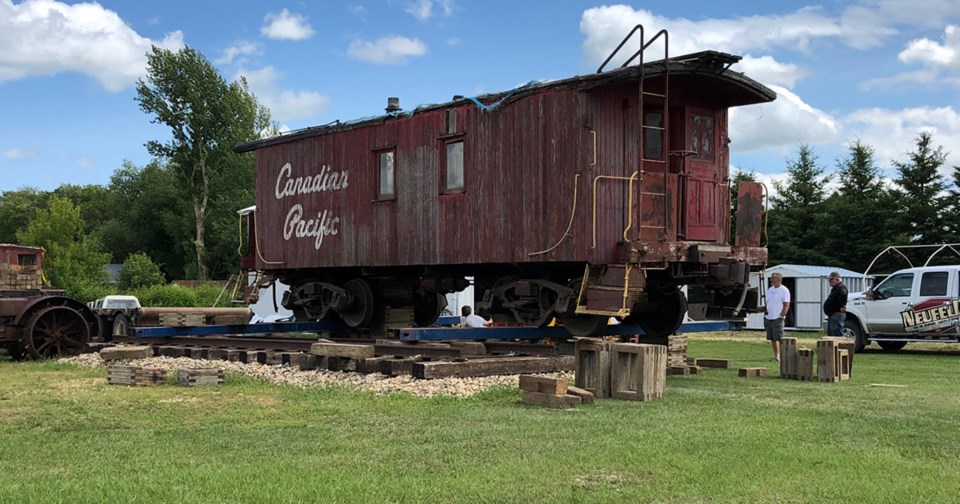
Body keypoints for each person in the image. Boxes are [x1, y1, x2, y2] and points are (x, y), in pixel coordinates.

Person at [764, 272, 791, 362]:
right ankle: (776, 355)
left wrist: (782, 315)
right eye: (771, 278)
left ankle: (782, 356)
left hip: (777, 317)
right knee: (772, 338)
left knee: (779, 337)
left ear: (779, 279)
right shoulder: (770, 289)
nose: (772, 280)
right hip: (769, 316)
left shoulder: (784, 290)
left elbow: (786, 304)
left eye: (774, 278)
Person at [823, 271, 848, 337]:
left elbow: (843, 295)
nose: (829, 281)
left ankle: (840, 347)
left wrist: (840, 306)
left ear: (837, 279)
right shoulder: (836, 288)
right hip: (833, 315)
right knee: (832, 336)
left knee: (837, 336)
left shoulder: (841, 287)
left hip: (837, 315)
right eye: (829, 279)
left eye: (831, 279)